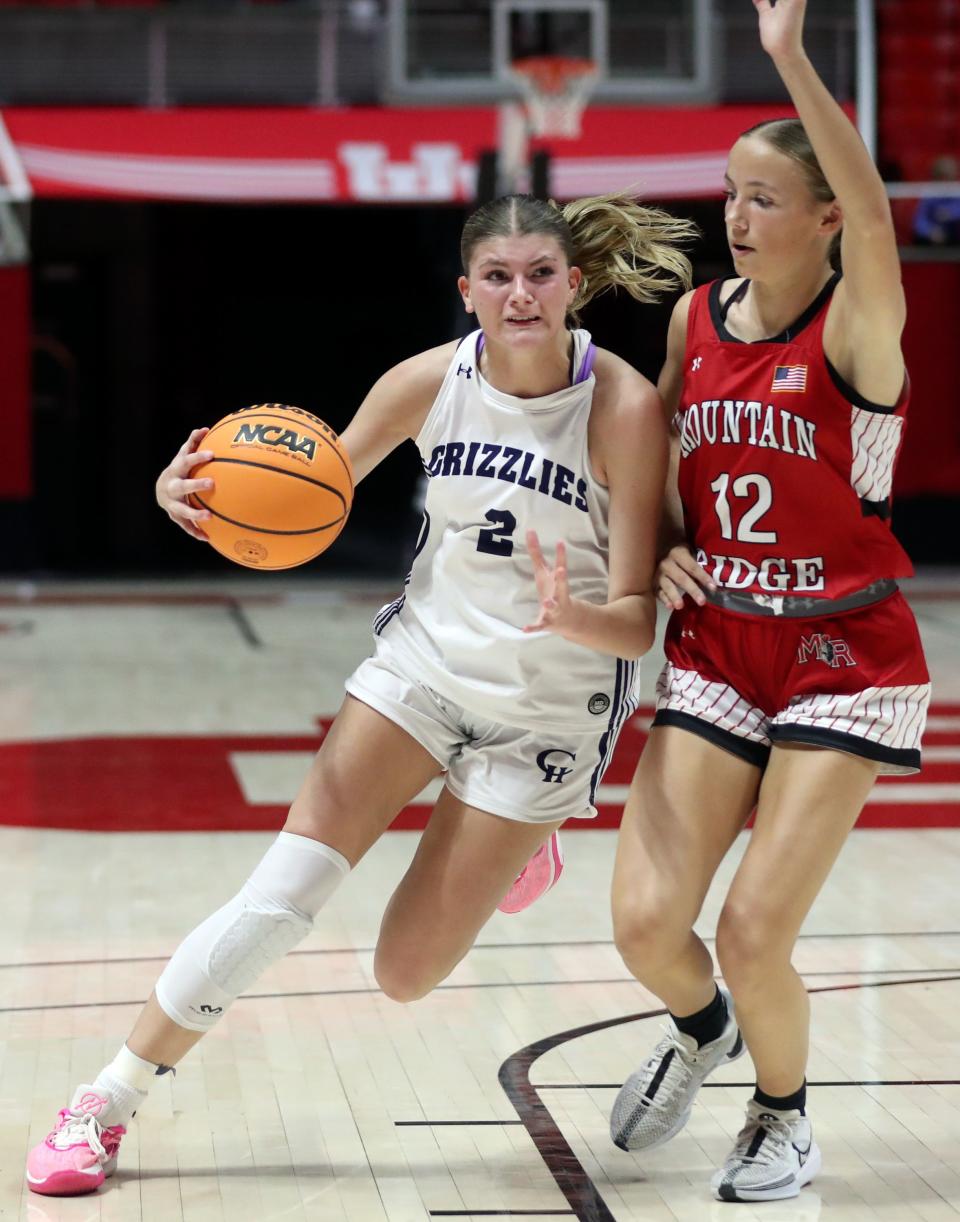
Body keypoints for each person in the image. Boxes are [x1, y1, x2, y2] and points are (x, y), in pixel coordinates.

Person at [26, 191, 697, 1197]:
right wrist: (193, 499)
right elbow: (306, 493)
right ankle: (106, 1101)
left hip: (547, 713)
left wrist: (573, 618)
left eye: (541, 275)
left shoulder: (624, 407)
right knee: (283, 894)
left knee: (403, 973)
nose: (522, 295)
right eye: (499, 277)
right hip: (420, 669)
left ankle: (524, 831)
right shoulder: (431, 380)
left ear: (574, 284)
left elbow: (639, 615)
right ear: (465, 290)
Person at [608, 0, 930, 1205]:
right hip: (721, 643)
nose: (736, 216)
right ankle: (704, 1029)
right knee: (646, 924)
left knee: (752, 931)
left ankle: (783, 1120)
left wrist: (791, 55)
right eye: (729, 193)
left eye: (765, 197)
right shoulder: (694, 318)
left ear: (826, 220)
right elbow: (667, 473)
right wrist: (673, 547)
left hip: (844, 651)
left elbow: (885, 215)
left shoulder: (860, 324)